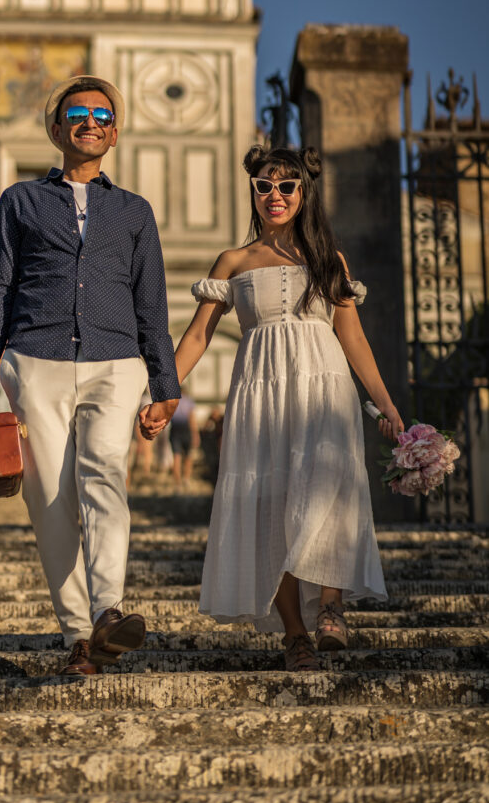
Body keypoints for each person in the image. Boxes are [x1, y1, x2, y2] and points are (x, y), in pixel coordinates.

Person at [143, 145, 403, 672]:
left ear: (303, 193)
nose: (275, 195)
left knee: (330, 488)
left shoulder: (331, 262)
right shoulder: (232, 262)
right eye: (265, 186)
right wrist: (164, 393)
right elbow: (196, 337)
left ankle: (332, 605)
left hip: (325, 388)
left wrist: (387, 406)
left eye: (286, 186)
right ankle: (295, 635)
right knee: (270, 503)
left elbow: (352, 338)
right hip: (260, 391)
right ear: (254, 194)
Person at [0, 75, 180, 677]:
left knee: (104, 475)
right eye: (79, 114)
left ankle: (109, 608)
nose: (91, 123)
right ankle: (78, 635)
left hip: (116, 361)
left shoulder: (135, 211)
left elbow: (151, 304)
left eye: (103, 116)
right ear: (57, 129)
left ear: (115, 133)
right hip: (36, 359)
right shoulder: (20, 201)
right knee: (50, 497)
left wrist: (164, 386)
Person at [168, 387, 199, 491]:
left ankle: (177, 483)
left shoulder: (172, 400)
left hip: (175, 428)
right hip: (186, 429)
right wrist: (195, 434)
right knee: (188, 455)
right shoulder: (189, 401)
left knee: (176, 456)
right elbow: (192, 418)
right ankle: (186, 478)